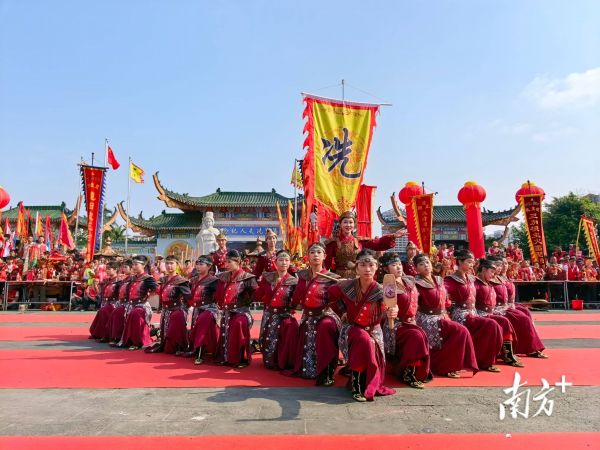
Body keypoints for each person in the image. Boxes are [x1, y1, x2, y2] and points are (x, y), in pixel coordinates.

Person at [328, 249, 397, 402]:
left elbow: (390, 306)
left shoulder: (383, 289)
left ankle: (367, 383)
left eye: (371, 265)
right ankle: (356, 385)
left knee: (366, 341)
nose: (367, 269)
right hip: (352, 329)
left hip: (374, 331)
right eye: (363, 265)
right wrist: (342, 311)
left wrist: (393, 311)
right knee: (362, 339)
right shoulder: (346, 285)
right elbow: (330, 296)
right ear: (356, 268)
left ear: (376, 267)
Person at [413, 253, 478, 378]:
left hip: (443, 315)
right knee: (461, 331)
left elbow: (446, 300)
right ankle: (447, 366)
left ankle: (450, 364)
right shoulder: (416, 283)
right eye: (421, 264)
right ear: (416, 269)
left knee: (459, 332)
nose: (426, 265)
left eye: (427, 262)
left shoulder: (439, 280)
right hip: (427, 318)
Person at [288, 242, 341, 386]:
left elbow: (339, 301)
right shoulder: (302, 276)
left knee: (326, 326)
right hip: (308, 316)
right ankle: (309, 369)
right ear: (308, 257)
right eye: (312, 252)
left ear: (325, 256)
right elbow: (297, 298)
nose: (315, 255)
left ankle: (326, 371)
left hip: (325, 314)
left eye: (319, 252)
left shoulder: (332, 277)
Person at [444, 250, 503, 373]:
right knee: (491, 325)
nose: (472, 264)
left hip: (473, 313)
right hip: (461, 314)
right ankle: (483, 361)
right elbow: (443, 291)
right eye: (469, 262)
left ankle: (484, 360)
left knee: (495, 326)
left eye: (472, 262)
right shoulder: (452, 279)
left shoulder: (471, 278)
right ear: (460, 262)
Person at [379, 252, 431, 388]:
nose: (398, 267)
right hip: (396, 324)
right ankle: (408, 373)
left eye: (399, 264)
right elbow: (384, 307)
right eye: (394, 265)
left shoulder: (409, 280)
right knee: (416, 336)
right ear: (386, 269)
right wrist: (388, 311)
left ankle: (416, 371)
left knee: (419, 333)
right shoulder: (388, 285)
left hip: (412, 322)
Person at [491, 257, 548, 359]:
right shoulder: (492, 279)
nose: (503, 266)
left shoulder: (503, 278)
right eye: (500, 264)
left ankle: (531, 346)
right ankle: (529, 348)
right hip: (498, 308)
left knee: (526, 312)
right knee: (523, 319)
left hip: (508, 306)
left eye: (505, 264)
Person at [324, 210, 404, 278]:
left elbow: (378, 243)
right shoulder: (333, 243)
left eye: (351, 222)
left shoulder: (360, 241)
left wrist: (393, 236)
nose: (348, 225)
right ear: (340, 224)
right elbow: (326, 263)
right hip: (339, 278)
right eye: (345, 222)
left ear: (354, 225)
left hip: (359, 276)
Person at [255, 250, 299, 370]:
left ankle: (284, 360)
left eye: (286, 260)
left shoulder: (294, 281)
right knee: (269, 338)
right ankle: (271, 359)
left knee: (290, 329)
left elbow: (296, 301)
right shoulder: (267, 278)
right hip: (269, 314)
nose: (284, 262)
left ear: (290, 263)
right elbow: (258, 295)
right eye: (281, 260)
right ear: (275, 262)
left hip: (284, 314)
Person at [474, 259, 523, 367]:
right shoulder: (475, 283)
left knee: (504, 322)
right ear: (483, 270)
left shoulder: (486, 282)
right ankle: (488, 359)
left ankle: (508, 354)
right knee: (496, 324)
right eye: (491, 271)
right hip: (478, 313)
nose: (493, 274)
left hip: (490, 312)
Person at [214, 250, 258, 367]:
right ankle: (225, 356)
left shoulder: (247, 277)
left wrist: (244, 303)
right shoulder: (223, 277)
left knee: (239, 323)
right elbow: (218, 295)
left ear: (238, 262)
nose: (226, 264)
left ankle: (239, 358)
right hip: (226, 312)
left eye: (229, 262)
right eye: (225, 262)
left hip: (242, 311)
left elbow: (255, 294)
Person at [147, 255, 191, 354]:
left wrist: (184, 309)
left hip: (177, 311)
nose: (169, 266)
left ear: (177, 265)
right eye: (167, 263)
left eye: (171, 263)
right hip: (165, 310)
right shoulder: (163, 280)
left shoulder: (181, 281)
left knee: (171, 345)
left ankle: (178, 346)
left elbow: (189, 297)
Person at [120, 256, 158, 350]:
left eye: (136, 264)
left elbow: (156, 289)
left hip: (142, 305)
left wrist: (149, 295)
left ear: (143, 265)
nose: (134, 266)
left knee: (135, 314)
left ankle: (137, 342)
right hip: (131, 305)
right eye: (133, 264)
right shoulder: (132, 278)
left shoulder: (148, 278)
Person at [188, 256, 219, 364]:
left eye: (201, 264)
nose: (198, 266)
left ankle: (199, 353)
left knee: (202, 323)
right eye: (197, 264)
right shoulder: (193, 280)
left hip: (209, 309)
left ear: (209, 266)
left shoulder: (214, 280)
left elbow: (218, 296)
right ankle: (197, 348)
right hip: (197, 309)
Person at [89, 261, 120, 341]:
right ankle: (98, 333)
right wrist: (95, 285)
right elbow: (100, 292)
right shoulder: (106, 280)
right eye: (107, 269)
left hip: (115, 303)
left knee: (103, 311)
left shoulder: (119, 281)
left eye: (109, 269)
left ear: (115, 269)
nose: (107, 270)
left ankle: (106, 334)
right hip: (105, 302)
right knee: (101, 311)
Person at [107, 260, 133, 346]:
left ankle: (118, 337)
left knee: (117, 312)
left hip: (131, 303)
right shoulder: (124, 279)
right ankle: (114, 336)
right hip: (123, 303)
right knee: (116, 312)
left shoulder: (134, 279)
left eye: (126, 267)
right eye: (123, 267)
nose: (123, 269)